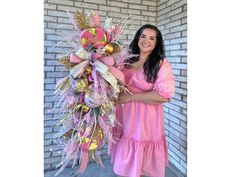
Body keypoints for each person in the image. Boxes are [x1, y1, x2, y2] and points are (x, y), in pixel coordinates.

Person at [108, 24, 175, 177]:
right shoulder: (125, 61)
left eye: (152, 38)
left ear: (157, 43)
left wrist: (131, 97)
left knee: (142, 167)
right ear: (138, 37)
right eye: (143, 36)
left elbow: (163, 96)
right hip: (125, 118)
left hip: (146, 121)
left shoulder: (160, 63)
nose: (146, 41)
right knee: (125, 169)